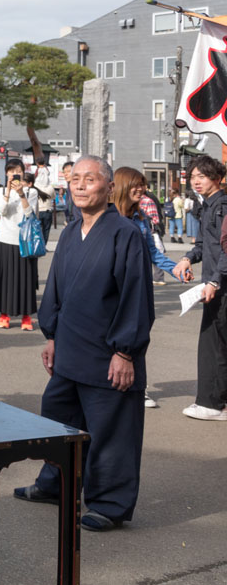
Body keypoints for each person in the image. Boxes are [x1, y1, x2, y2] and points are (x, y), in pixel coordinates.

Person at [14, 156, 154, 531]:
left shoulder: (125, 234)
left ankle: (109, 503)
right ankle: (56, 483)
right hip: (70, 349)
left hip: (109, 353)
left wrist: (126, 352)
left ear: (108, 188)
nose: (79, 185)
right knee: (60, 419)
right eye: (74, 178)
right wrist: (52, 335)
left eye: (89, 179)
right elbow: (56, 289)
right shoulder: (73, 231)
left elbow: (136, 297)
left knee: (111, 432)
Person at [113, 167, 190, 409]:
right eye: (136, 185)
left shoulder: (141, 218)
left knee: (137, 335)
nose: (141, 189)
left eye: (143, 185)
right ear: (122, 186)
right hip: (113, 288)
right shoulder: (108, 218)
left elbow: (152, 252)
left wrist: (175, 268)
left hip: (139, 287)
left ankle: (138, 386)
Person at [172, 156, 227, 421]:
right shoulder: (208, 206)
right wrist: (186, 258)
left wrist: (216, 280)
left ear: (217, 177)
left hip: (221, 286)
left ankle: (212, 403)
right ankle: (215, 402)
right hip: (214, 284)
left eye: (202, 176)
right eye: (193, 176)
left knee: (214, 345)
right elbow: (205, 245)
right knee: (216, 343)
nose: (196, 181)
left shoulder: (222, 206)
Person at [0, 158, 39, 330]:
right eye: (10, 171)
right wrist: (8, 191)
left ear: (23, 173)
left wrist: (21, 194)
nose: (14, 174)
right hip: (3, 239)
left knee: (25, 280)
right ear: (6, 174)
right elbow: (2, 210)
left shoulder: (32, 192)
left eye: (17, 170)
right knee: (4, 280)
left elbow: (29, 213)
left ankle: (26, 317)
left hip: (23, 240)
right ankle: (4, 315)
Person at [34, 158, 56, 244]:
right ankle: (44, 245)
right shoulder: (50, 188)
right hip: (47, 211)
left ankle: (38, 244)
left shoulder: (35, 188)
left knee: (37, 230)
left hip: (37, 211)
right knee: (46, 230)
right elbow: (53, 197)